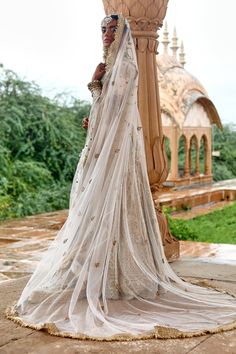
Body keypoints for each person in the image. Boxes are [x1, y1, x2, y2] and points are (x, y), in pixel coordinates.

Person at [6, 14, 236, 341]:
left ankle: (121, 279)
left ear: (122, 34)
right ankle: (95, 276)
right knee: (96, 209)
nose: (106, 34)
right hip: (103, 149)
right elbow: (105, 109)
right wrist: (96, 88)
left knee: (114, 207)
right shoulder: (110, 67)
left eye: (112, 29)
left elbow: (116, 112)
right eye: (103, 29)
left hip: (114, 153)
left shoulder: (126, 68)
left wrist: (96, 89)